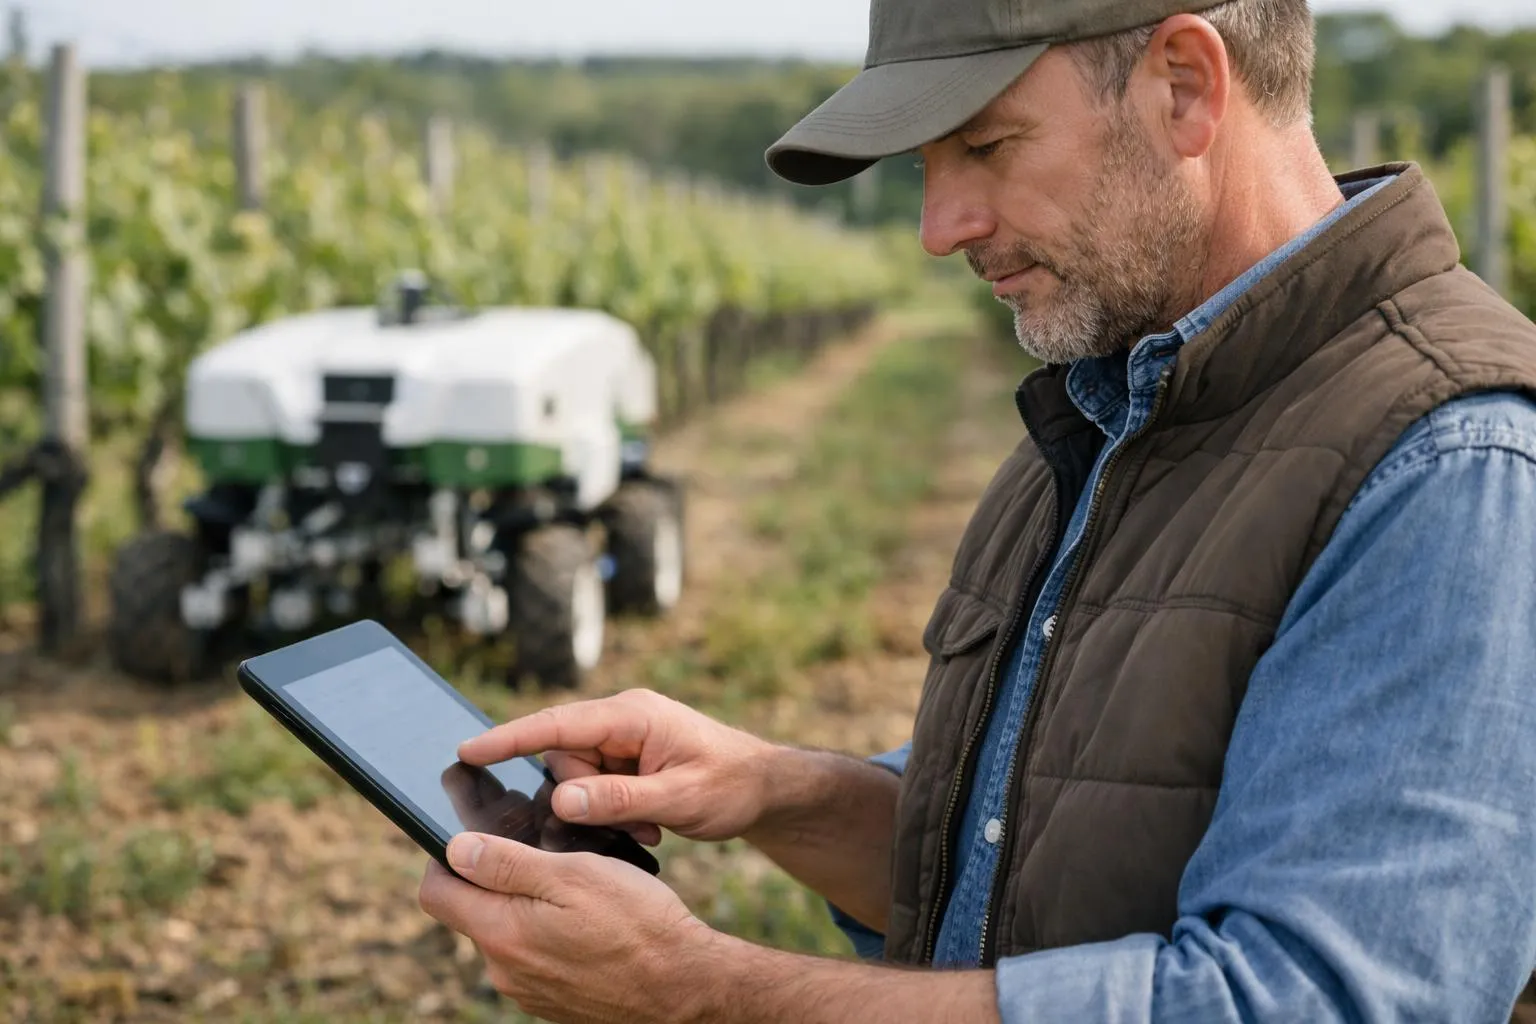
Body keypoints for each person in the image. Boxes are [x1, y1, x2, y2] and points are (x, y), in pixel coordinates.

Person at [417, 0, 1536, 1019]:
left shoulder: (1450, 465)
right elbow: (1022, 850)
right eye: (925, 167)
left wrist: (700, 993)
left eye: (987, 147)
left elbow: (1314, 1001)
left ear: (1187, 84)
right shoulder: (1112, 405)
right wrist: (774, 789)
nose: (938, 226)